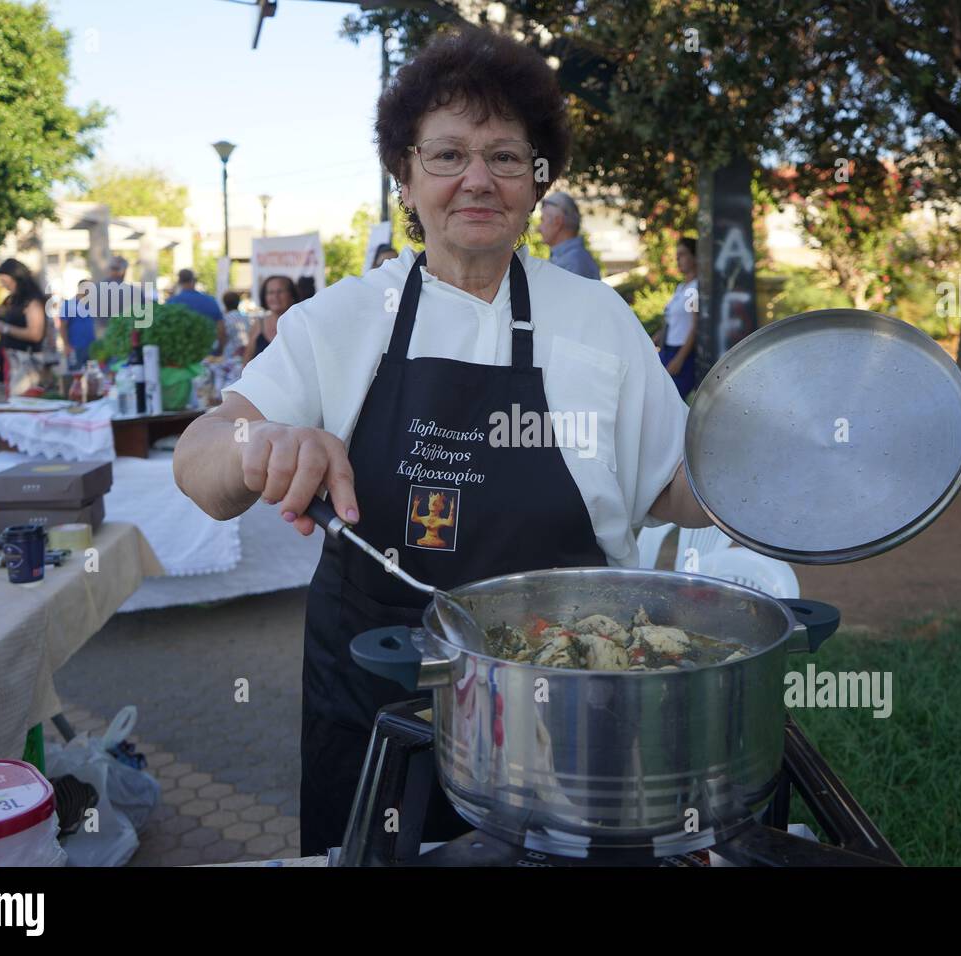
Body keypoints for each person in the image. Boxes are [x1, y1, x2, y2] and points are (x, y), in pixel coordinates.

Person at [173, 28, 710, 856]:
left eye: (505, 156)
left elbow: (672, 486)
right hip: (382, 703)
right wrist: (258, 444)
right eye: (448, 154)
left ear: (538, 182)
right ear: (406, 177)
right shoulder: (344, 319)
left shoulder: (596, 321)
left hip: (570, 694)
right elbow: (198, 461)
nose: (477, 180)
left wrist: (758, 482)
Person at [0, 259, 51, 395]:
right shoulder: (13, 300)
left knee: (23, 402)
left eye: (3, 275)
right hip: (12, 360)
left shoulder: (31, 301)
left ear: (14, 276)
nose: (0, 279)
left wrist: (5, 328)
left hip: (26, 362)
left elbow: (35, 334)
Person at [653, 237, 700, 399]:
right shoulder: (682, 288)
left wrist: (679, 359)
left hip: (682, 355)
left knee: (669, 401)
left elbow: (695, 327)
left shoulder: (695, 288)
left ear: (695, 257)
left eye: (683, 254)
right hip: (666, 351)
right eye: (677, 255)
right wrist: (653, 340)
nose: (678, 259)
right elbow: (672, 322)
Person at [539, 191, 601, 279]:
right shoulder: (572, 259)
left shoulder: (572, 262)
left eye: (542, 220)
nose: (538, 228)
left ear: (557, 222)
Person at [242, 275, 297, 366]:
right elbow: (247, 361)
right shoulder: (258, 325)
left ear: (291, 295)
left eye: (280, 291)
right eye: (270, 292)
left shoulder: (301, 323)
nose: (275, 296)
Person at [169, 268, 226, 356]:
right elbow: (221, 330)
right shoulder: (210, 301)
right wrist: (220, 350)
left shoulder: (172, 303)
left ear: (179, 282)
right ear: (194, 281)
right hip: (207, 353)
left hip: (181, 355)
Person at [59, 279, 97, 369]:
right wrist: (66, 345)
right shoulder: (69, 305)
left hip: (91, 346)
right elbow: (62, 326)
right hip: (75, 347)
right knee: (76, 373)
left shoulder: (89, 305)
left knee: (92, 374)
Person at [220, 290, 251, 361]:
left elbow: (223, 337)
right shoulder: (246, 317)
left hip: (230, 355)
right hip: (246, 354)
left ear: (224, 303)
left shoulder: (225, 319)